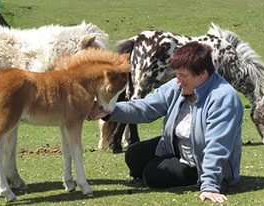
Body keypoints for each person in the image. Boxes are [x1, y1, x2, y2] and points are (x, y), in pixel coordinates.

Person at [88, 42, 243, 203]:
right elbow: (146, 107)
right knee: (134, 155)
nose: (178, 80)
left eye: (183, 75)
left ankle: (204, 178)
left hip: (199, 162)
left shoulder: (223, 98)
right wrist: (109, 111)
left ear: (203, 73)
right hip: (178, 146)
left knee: (153, 175)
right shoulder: (180, 86)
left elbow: (217, 146)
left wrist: (210, 185)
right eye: (177, 74)